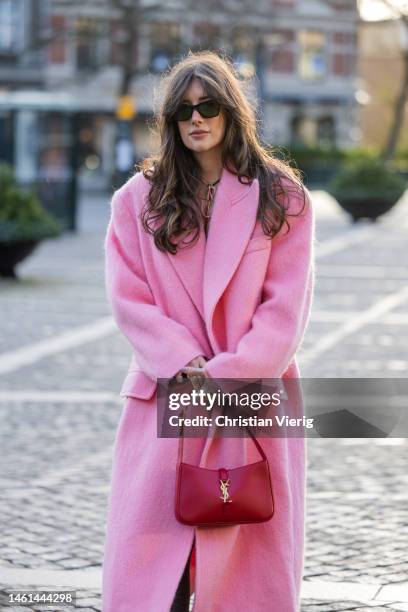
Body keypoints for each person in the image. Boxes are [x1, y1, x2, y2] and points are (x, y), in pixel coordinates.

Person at [102, 50, 315, 612]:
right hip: (166, 394)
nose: (197, 119)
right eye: (184, 110)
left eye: (210, 106)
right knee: (154, 572)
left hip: (248, 399)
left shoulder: (281, 196)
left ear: (232, 112)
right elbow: (130, 298)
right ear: (170, 121)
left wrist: (227, 375)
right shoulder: (137, 200)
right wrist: (180, 362)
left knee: (244, 568)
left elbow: (285, 309)